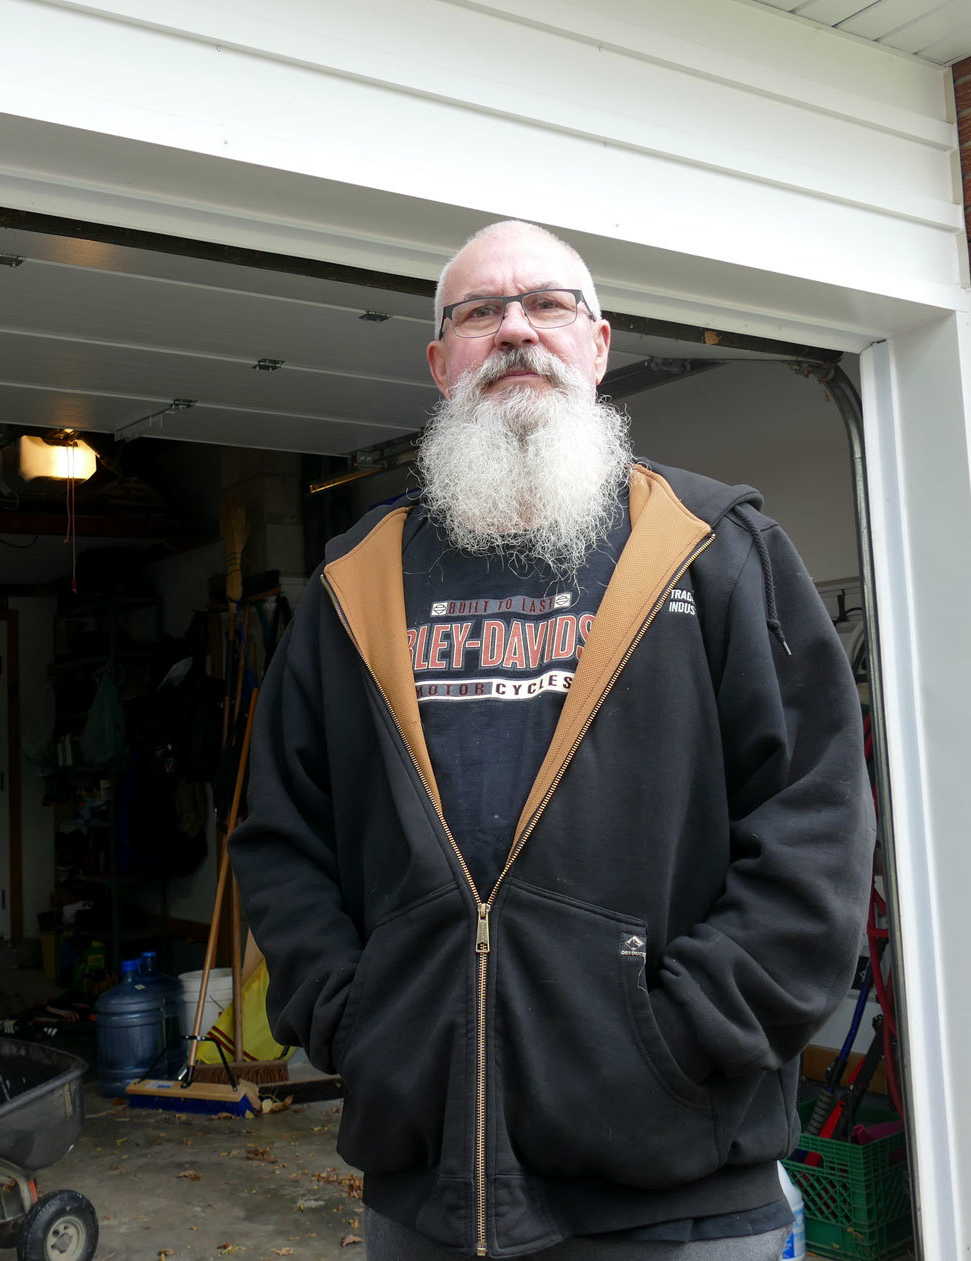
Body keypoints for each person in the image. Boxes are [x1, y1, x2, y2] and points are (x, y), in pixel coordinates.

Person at [229, 219, 874, 1261]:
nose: (515, 331)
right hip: (424, 1193)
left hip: (679, 1190)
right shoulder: (355, 581)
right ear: (441, 363)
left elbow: (816, 828)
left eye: (547, 306)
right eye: (479, 312)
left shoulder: (715, 551)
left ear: (598, 345)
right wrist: (361, 1025)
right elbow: (279, 840)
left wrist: (671, 1045)